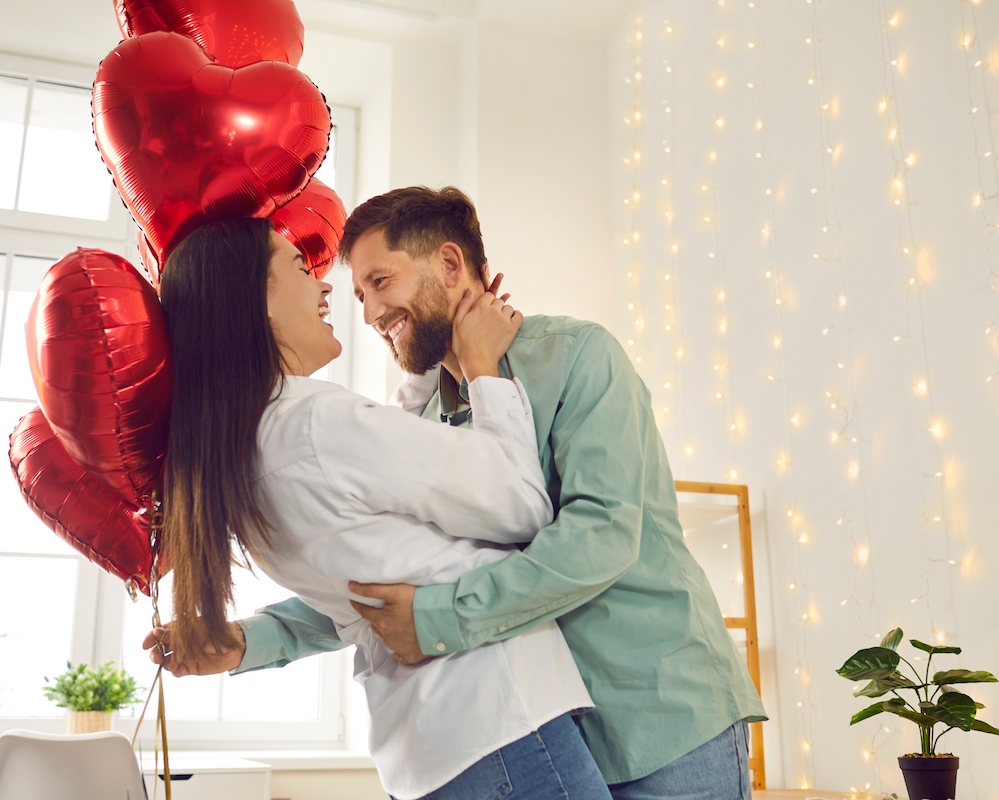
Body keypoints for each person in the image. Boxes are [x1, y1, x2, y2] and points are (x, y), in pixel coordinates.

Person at [231, 187, 768, 800]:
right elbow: (392, 580)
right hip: (553, 739)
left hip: (662, 718)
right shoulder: (428, 421)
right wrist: (252, 640)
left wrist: (436, 619)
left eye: (381, 282)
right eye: (359, 295)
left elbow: (602, 538)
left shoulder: (578, 357)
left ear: (451, 266)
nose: (371, 313)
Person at [143, 217, 611, 800]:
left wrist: (427, 366)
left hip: (425, 751)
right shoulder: (315, 423)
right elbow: (519, 504)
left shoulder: (243, 451)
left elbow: (380, 522)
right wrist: (482, 368)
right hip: (499, 724)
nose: (329, 290)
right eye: (299, 267)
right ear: (255, 302)